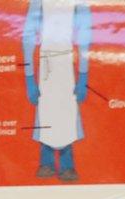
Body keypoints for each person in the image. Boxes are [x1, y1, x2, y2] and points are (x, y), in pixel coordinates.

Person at [23, 0, 92, 181]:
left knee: (67, 113)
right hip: (47, 61)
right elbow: (29, 34)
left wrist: (83, 75)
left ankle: (67, 165)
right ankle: (46, 163)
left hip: (66, 61)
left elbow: (85, 33)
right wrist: (29, 77)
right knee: (46, 111)